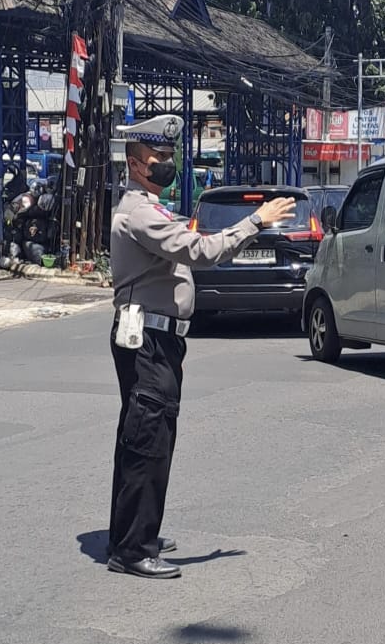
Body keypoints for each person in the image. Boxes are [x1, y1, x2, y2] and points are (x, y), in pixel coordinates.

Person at [106, 114, 296, 580]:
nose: (167, 164)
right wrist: (255, 221)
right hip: (148, 339)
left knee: (141, 437)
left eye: (170, 156)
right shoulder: (140, 213)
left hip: (156, 338)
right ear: (136, 164)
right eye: (159, 157)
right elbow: (202, 252)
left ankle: (132, 533)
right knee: (149, 441)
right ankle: (132, 549)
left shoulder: (149, 207)